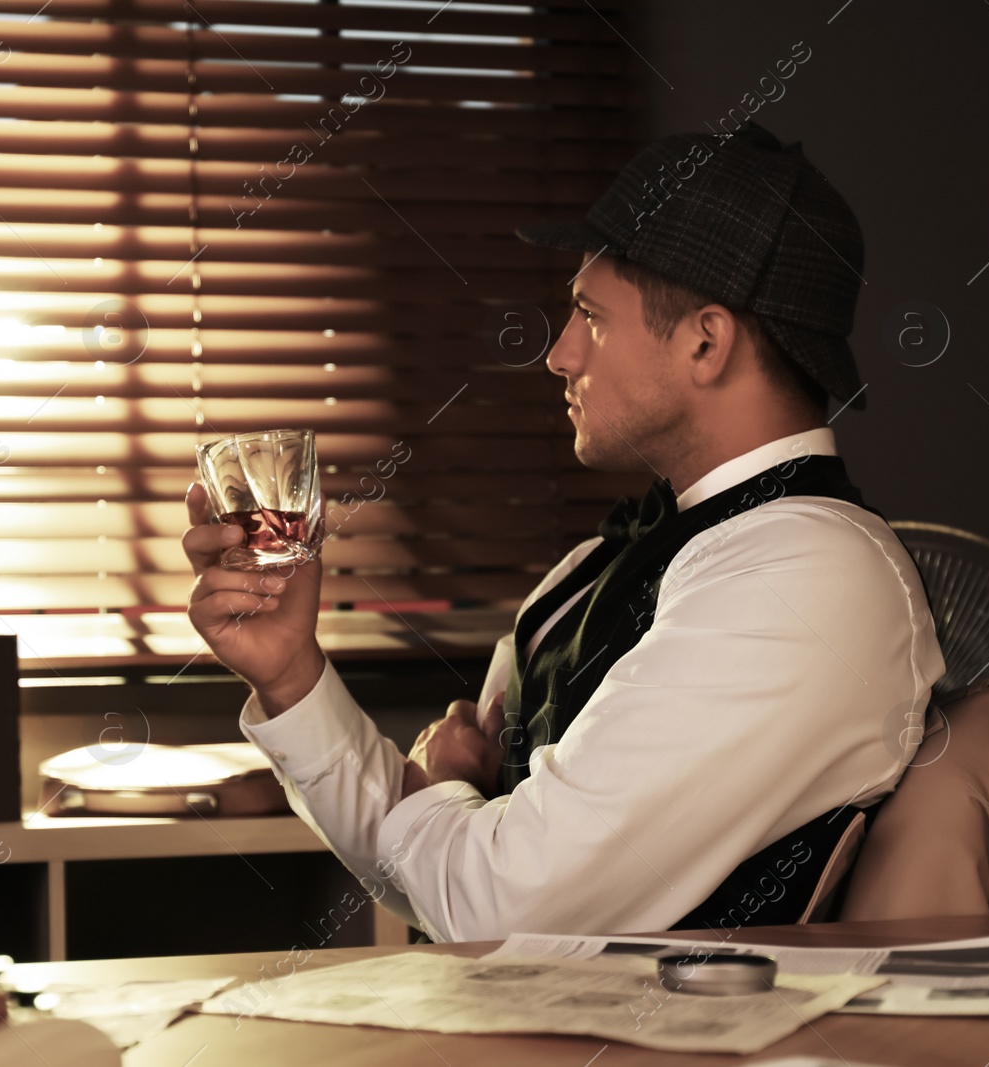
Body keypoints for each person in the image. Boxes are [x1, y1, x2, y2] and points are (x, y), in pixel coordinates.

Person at [182, 122, 947, 941]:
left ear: (705, 341)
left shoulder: (807, 576)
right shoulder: (598, 566)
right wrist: (293, 673)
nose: (559, 353)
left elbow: (494, 903)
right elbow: (441, 878)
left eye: (591, 314)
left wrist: (447, 794)